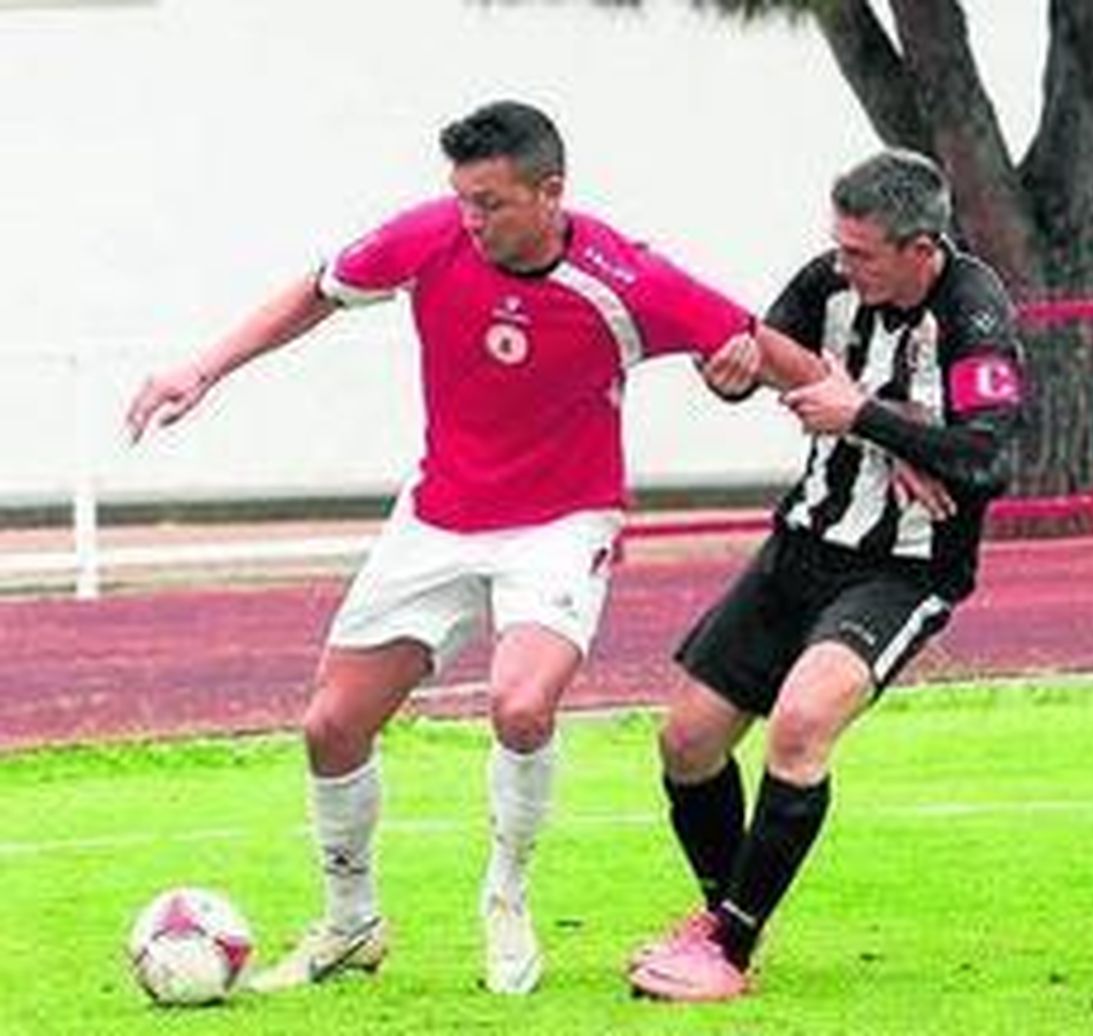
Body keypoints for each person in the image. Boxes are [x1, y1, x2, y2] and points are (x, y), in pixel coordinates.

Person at [124, 99, 823, 995]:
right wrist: (201, 368)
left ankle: (506, 895)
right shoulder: (430, 237)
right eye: (461, 198)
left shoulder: (627, 279)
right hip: (437, 517)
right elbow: (314, 292)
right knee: (330, 726)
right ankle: (351, 924)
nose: (470, 219)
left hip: (561, 526)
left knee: (520, 706)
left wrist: (877, 429)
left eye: (490, 202)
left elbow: (771, 357)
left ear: (550, 193)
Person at [624, 149, 1028, 1002]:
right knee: (687, 741)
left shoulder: (973, 309)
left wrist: (871, 419)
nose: (843, 264)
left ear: (922, 248)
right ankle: (720, 914)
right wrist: (728, 373)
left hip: (905, 569)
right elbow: (767, 359)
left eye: (863, 254)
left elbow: (990, 458)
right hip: (802, 544)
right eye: (839, 248)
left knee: (802, 724)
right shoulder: (826, 283)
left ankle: (729, 950)